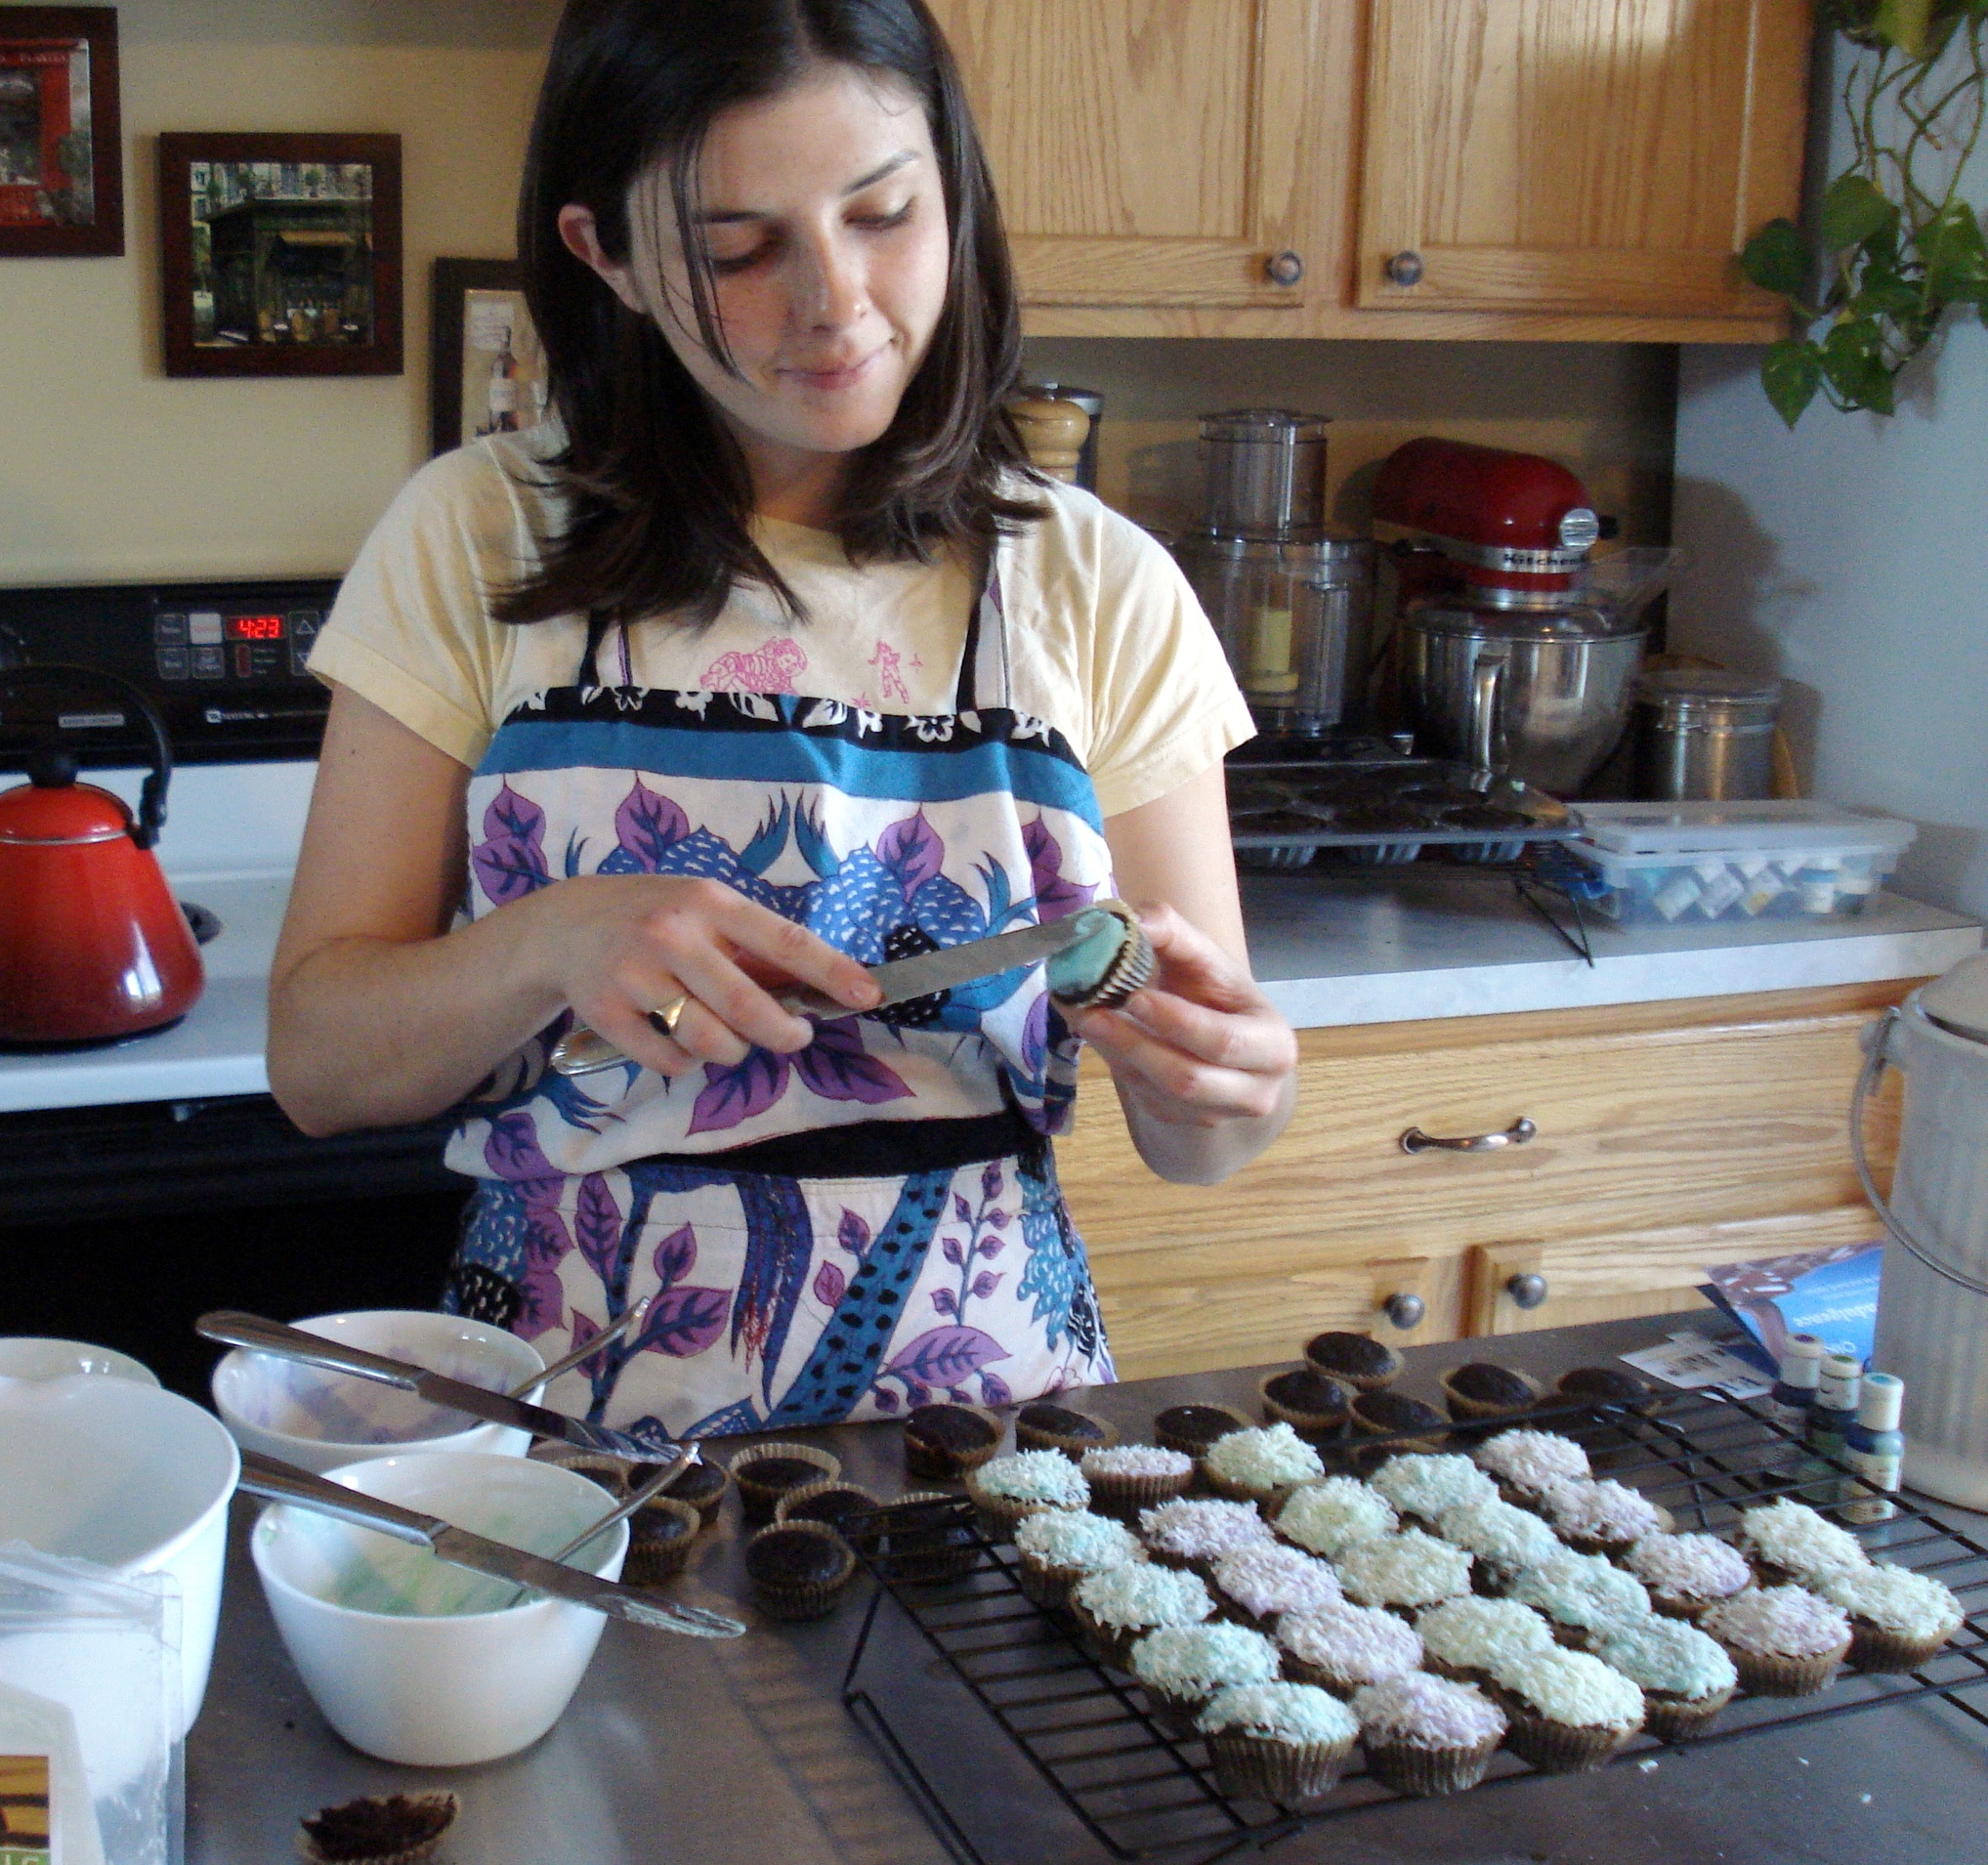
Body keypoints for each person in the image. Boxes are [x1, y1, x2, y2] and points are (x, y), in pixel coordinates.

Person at [267, 0, 1296, 1441]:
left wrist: (1227, 1083)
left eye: (885, 213)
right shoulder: (473, 536)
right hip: (560, 1428)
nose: (838, 302)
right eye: (739, 249)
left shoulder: (1096, 581)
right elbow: (317, 1064)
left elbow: (1200, 1135)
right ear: (604, 255)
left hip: (989, 1434)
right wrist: (551, 941)